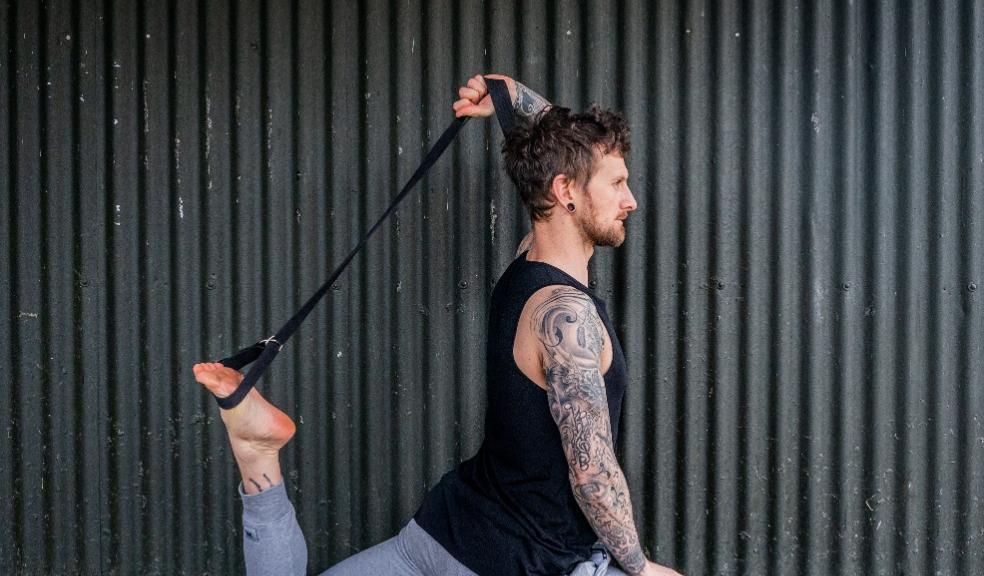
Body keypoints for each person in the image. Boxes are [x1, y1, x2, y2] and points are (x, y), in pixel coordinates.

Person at [192, 73, 682, 576]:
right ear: (566, 191)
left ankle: (257, 455)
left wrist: (509, 94)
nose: (630, 200)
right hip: (517, 562)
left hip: (441, 536)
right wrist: (640, 568)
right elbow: (593, 474)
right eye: (617, 183)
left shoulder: (528, 267)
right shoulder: (566, 316)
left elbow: (559, 151)